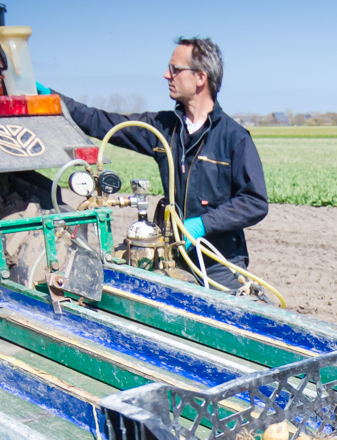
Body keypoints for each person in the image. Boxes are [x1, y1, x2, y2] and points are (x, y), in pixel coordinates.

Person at [48, 37, 268, 291]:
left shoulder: (234, 138)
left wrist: (203, 225)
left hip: (219, 260)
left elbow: (254, 201)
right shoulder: (163, 128)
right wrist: (53, 100)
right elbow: (103, 122)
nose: (166, 75)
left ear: (200, 78)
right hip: (171, 255)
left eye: (175, 69)